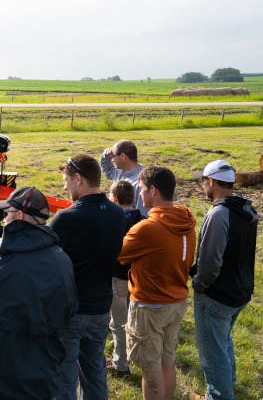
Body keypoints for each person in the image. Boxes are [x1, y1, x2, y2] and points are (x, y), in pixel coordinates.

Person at [0, 186, 79, 400]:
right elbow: (69, 309)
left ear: (20, 215)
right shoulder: (63, 261)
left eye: (7, 213)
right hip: (40, 375)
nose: (4, 219)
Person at [49, 154, 125, 400]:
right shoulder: (117, 213)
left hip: (71, 312)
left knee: (65, 377)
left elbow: (47, 261)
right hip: (102, 309)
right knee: (95, 373)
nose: (64, 186)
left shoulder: (65, 218)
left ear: (78, 178)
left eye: (66, 180)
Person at [117, 166, 196, 400]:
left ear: (153, 190)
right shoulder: (187, 220)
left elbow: (118, 254)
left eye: (141, 188)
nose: (139, 194)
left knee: (150, 368)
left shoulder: (146, 228)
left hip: (149, 306)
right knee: (166, 361)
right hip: (177, 301)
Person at [183, 160, 258, 400]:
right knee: (223, 339)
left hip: (216, 295)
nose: (202, 187)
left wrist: (199, 286)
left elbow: (209, 263)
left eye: (203, 182)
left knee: (211, 353)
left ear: (211, 181)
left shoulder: (218, 214)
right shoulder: (244, 210)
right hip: (240, 291)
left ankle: (219, 395)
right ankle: (224, 387)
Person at [106, 179, 144, 379]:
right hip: (135, 277)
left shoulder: (114, 219)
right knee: (129, 319)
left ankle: (121, 365)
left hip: (118, 278)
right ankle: (128, 352)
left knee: (118, 322)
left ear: (113, 198)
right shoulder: (140, 218)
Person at [100, 139, 149, 217]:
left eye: (113, 156)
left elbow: (142, 216)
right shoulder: (119, 172)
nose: (112, 160)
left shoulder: (140, 183)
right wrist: (106, 157)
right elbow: (107, 170)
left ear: (123, 156)